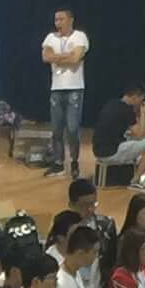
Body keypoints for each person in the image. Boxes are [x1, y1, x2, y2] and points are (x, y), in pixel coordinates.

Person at [38, 9, 89, 172]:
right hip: (56, 88)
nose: (58, 23)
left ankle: (74, 160)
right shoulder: (50, 38)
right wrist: (67, 55)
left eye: (61, 19)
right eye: (56, 19)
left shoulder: (79, 36)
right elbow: (46, 57)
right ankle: (58, 162)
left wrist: (57, 57)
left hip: (75, 88)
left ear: (71, 20)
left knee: (73, 128)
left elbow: (76, 58)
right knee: (56, 129)